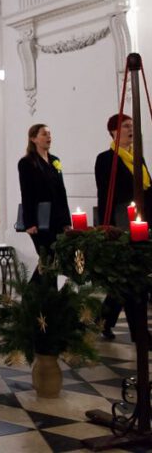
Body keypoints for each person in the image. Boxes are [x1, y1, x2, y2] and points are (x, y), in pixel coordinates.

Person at [95, 113, 152, 340]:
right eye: (126, 126)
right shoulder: (106, 158)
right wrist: (106, 226)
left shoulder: (138, 156)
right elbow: (107, 193)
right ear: (113, 131)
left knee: (126, 278)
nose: (131, 129)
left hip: (141, 220)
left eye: (132, 125)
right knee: (132, 278)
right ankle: (140, 334)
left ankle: (103, 320)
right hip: (122, 222)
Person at [17, 124, 71, 282]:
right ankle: (40, 298)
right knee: (47, 258)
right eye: (44, 134)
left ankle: (39, 298)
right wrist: (30, 222)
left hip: (56, 218)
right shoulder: (27, 162)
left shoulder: (55, 161)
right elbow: (26, 193)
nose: (49, 137)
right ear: (33, 139)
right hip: (39, 220)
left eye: (49, 134)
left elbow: (62, 192)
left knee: (52, 259)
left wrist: (66, 221)